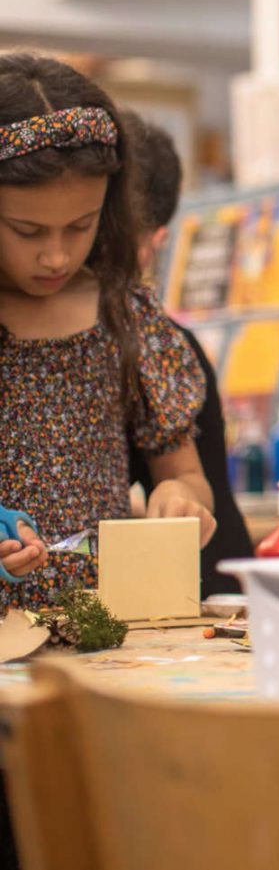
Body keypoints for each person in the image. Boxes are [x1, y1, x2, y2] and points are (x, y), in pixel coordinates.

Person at [0, 53, 215, 612]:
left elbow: (186, 476)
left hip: (108, 636)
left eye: (80, 226)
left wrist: (181, 499)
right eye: (26, 230)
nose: (56, 255)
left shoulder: (124, 316)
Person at [121, 114, 253, 597]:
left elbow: (193, 486)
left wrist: (175, 496)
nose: (58, 258)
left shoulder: (156, 343)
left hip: (204, 590)